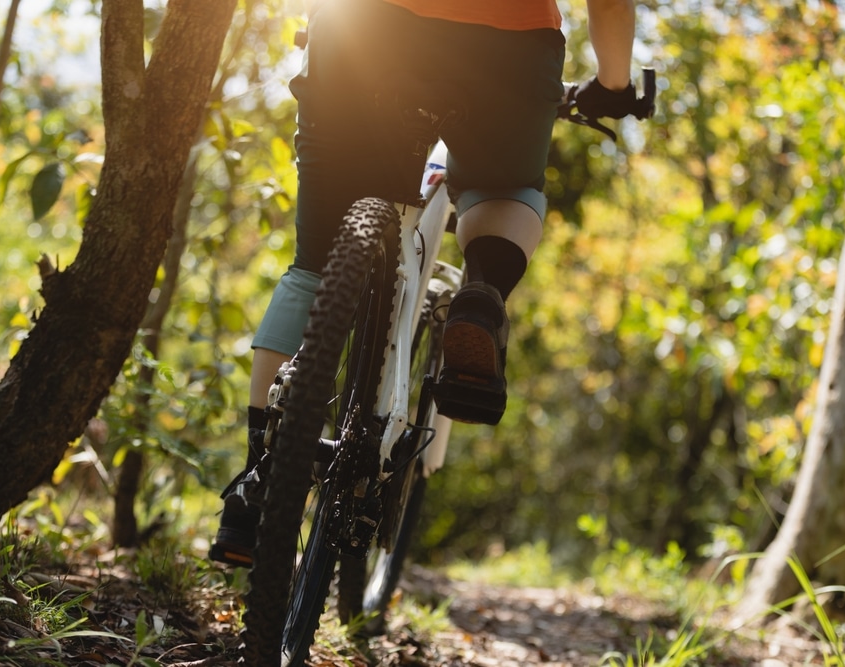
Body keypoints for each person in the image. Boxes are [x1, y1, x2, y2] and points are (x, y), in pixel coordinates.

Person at [209, 0, 639, 566]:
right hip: (508, 44)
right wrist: (612, 85)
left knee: (315, 266)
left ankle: (257, 488)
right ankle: (479, 295)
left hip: (362, 30)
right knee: (506, 191)